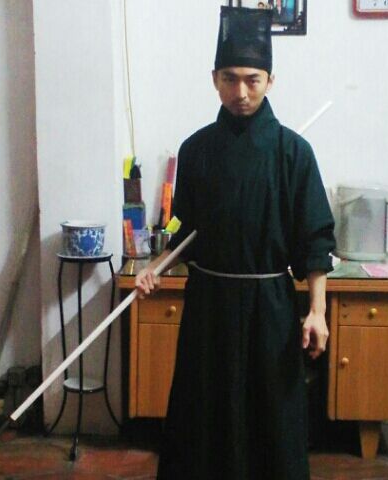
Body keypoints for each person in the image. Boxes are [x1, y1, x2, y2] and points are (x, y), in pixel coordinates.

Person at [135, 6, 335, 480]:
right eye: (229, 79)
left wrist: (317, 311)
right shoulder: (196, 150)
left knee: (271, 419)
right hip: (210, 307)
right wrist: (156, 267)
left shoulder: (293, 152)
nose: (240, 92)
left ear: (270, 80)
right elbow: (185, 233)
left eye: (252, 79)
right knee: (204, 418)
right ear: (214, 80)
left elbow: (314, 240)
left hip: (270, 308)